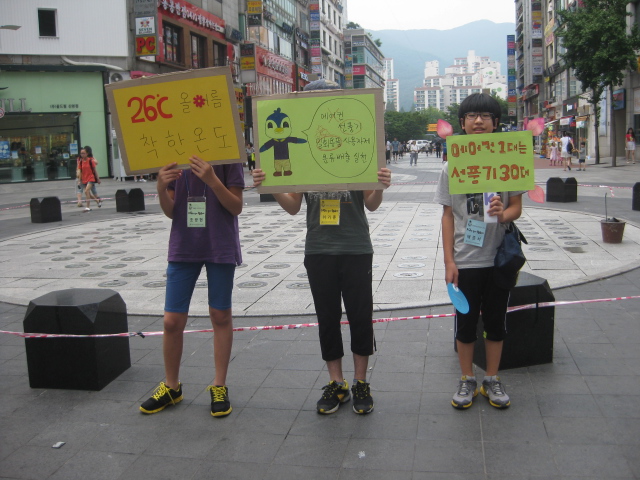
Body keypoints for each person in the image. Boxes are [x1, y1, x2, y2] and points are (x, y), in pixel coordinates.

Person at [252, 78, 392, 415]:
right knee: (327, 317)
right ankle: (336, 382)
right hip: (318, 248)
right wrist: (267, 185)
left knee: (360, 315)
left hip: (356, 247)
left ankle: (361, 382)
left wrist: (380, 185)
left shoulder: (355, 143)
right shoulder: (303, 151)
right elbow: (293, 206)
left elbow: (371, 204)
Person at [434, 93, 524, 410]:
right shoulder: (451, 166)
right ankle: (467, 378)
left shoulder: (509, 161)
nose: (478, 121)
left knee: (496, 323)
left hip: (499, 257)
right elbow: (448, 216)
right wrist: (449, 261)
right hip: (466, 259)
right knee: (466, 323)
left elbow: (517, 207)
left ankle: (492, 379)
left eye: (486, 116)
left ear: (496, 122)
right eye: (472, 116)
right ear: (462, 123)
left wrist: (502, 214)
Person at [140, 156, 244, 417]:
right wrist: (161, 189)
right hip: (183, 245)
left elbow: (236, 206)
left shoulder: (227, 153)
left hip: (219, 243)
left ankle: (219, 385)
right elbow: (171, 211)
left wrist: (212, 180)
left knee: (220, 315)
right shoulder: (175, 153)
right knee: (171, 321)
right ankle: (171, 386)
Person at [78, 146, 102, 211]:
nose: (82, 155)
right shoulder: (81, 162)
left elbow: (95, 170)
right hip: (84, 179)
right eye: (81, 153)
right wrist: (79, 180)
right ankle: (97, 201)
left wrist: (98, 179)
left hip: (91, 178)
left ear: (87, 153)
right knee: (88, 193)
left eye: (84, 153)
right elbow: (80, 172)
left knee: (86, 191)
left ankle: (87, 207)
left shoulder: (91, 160)